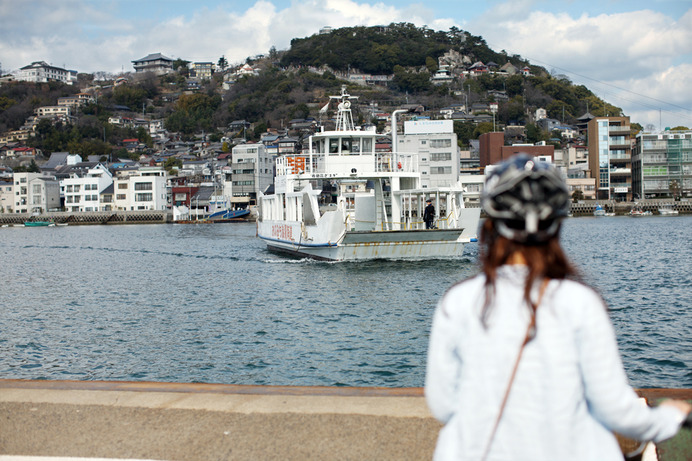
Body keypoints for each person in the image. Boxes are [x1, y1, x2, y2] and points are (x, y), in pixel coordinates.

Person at [425, 154, 690, 461]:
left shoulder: (458, 301)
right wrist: (670, 417)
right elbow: (615, 410)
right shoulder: (579, 301)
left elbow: (443, 403)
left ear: (493, 225)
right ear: (555, 226)